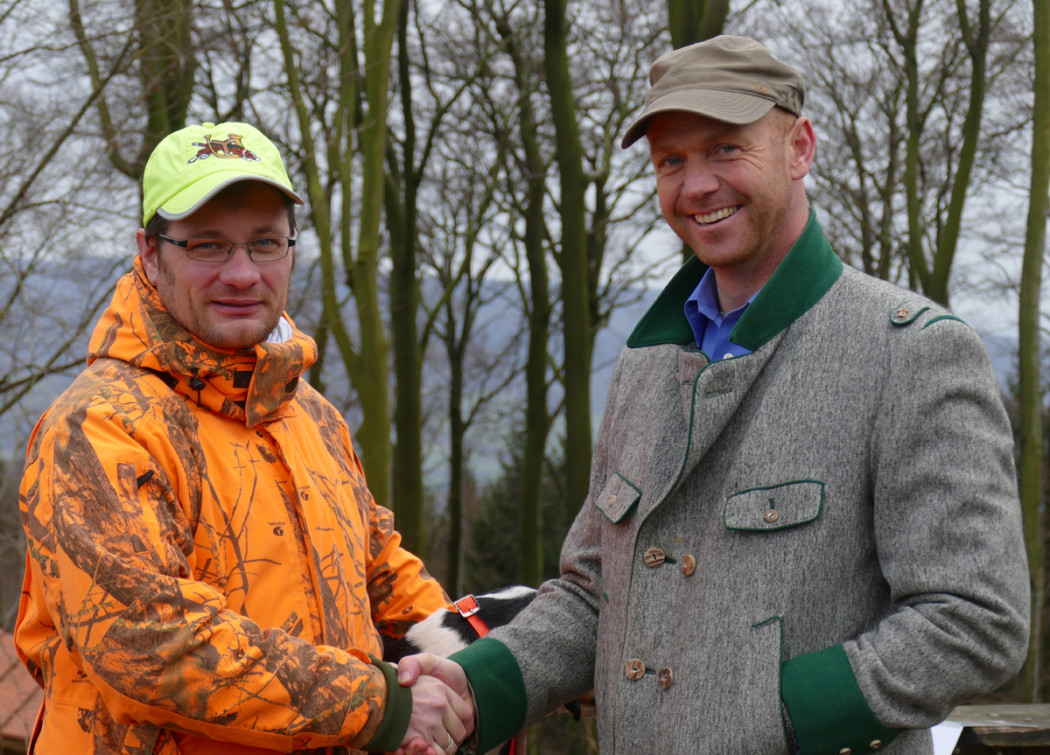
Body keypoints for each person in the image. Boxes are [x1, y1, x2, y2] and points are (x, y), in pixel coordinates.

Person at [397, 35, 1031, 754]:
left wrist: (768, 712)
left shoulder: (911, 351)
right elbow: (592, 597)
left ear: (800, 148)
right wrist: (471, 686)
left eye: (726, 148)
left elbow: (977, 618)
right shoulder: (644, 365)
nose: (695, 185)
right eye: (671, 160)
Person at [15, 121, 472, 755]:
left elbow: (376, 569)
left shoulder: (310, 416)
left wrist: (471, 660)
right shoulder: (99, 428)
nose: (241, 274)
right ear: (150, 252)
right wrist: (383, 707)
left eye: (264, 244)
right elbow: (148, 643)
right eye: (207, 246)